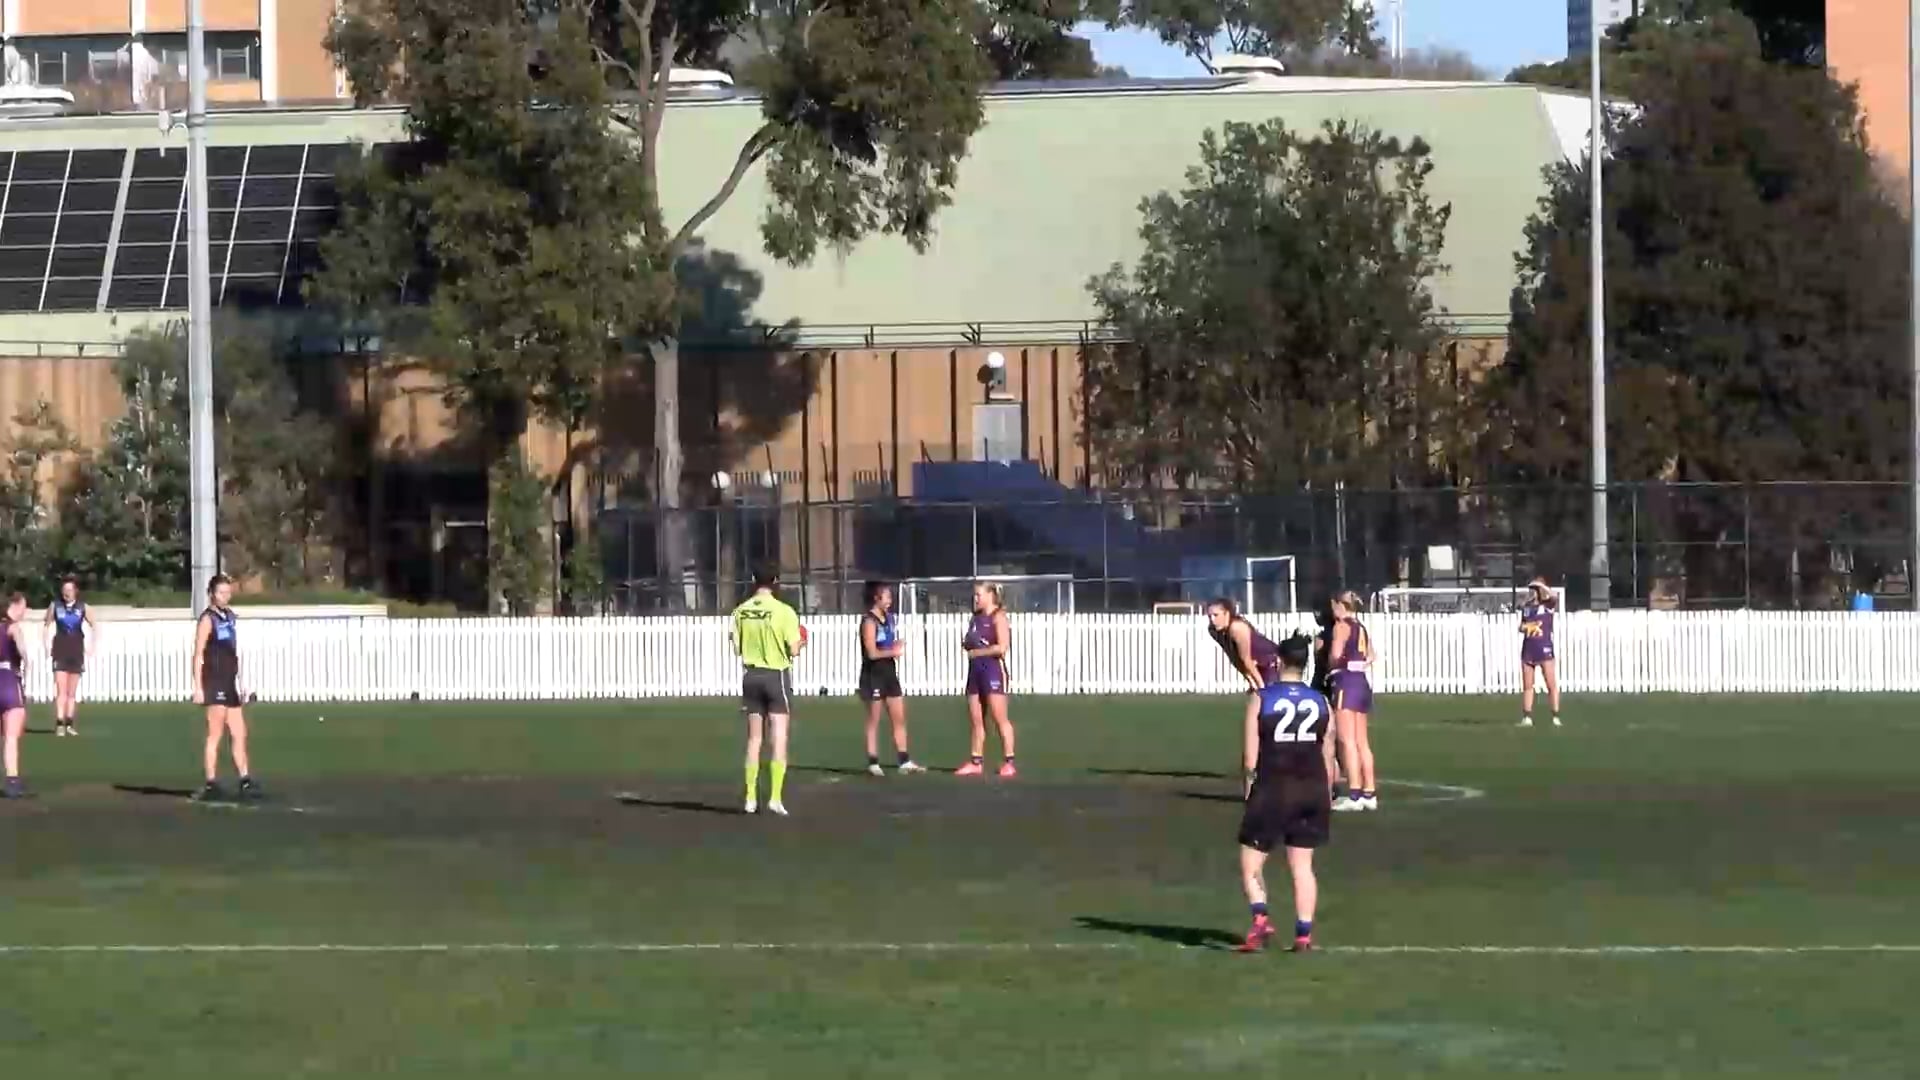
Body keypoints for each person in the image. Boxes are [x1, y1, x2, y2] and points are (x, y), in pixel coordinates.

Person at [1233, 633, 1334, 954]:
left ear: (1278, 661)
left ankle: (1261, 919)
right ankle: (1303, 936)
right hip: (1313, 788)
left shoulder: (1262, 698)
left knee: (1251, 865)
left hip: (1274, 787)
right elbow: (1329, 751)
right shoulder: (1322, 702)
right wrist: (1328, 793)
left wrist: (1249, 789)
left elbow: (1251, 756)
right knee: (1303, 866)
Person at [732, 563, 804, 815]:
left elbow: (737, 649)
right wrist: (801, 642)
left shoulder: (740, 611)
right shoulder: (784, 611)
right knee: (779, 737)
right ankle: (774, 797)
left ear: (753, 579)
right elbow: (794, 649)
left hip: (751, 675)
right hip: (776, 676)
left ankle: (750, 797)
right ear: (776, 581)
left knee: (754, 738)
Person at [192, 574, 260, 802]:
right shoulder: (207, 619)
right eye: (221, 592)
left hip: (230, 681)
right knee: (215, 734)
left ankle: (245, 779)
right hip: (214, 681)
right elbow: (198, 654)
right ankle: (211, 782)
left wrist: (241, 682)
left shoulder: (230, 617)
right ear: (212, 593)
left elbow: (233, 653)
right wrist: (198, 686)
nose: (226, 596)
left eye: (228, 592)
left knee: (240, 732)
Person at [857, 581, 923, 776]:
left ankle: (904, 760)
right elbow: (871, 652)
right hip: (873, 675)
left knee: (899, 718)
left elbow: (885, 644)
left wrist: (895, 645)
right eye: (886, 596)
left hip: (889, 673)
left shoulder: (890, 618)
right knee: (874, 720)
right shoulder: (869, 621)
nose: (890, 600)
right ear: (876, 598)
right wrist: (892, 651)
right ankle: (873, 762)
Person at [956, 581, 1016, 778]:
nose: (975, 599)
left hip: (992, 671)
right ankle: (976, 762)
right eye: (974, 595)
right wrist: (967, 644)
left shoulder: (998, 616)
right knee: (976, 719)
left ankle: (1009, 762)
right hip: (975, 672)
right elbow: (970, 640)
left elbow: (1001, 647)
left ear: (990, 595)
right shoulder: (975, 618)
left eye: (979, 595)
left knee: (1000, 718)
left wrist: (979, 651)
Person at [1328, 591, 1378, 813]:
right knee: (1362, 742)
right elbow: (1372, 655)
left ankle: (1355, 794)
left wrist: (1332, 665)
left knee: (1346, 740)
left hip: (1345, 683)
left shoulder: (1341, 626)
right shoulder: (1361, 627)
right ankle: (1369, 793)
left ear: (1340, 605)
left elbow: (1335, 655)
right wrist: (1359, 664)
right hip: (1361, 682)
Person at [43, 575, 96, 737]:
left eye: (70, 590)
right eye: (64, 590)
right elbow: (46, 625)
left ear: (76, 591)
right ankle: (59, 724)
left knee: (72, 692)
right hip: (60, 650)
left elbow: (95, 626)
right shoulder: (55, 606)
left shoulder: (83, 607)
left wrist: (91, 646)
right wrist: (46, 645)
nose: (66, 593)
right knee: (61, 690)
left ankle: (69, 724)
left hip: (76, 651)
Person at [1205, 598, 1280, 691]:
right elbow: (1234, 658)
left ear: (1227, 614)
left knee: (1268, 700)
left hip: (1272, 661)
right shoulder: (1214, 631)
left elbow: (1246, 659)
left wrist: (1261, 687)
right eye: (1209, 616)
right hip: (1256, 664)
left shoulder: (1237, 628)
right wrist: (1250, 680)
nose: (1212, 620)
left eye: (1216, 615)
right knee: (1258, 701)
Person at [1519, 578, 1562, 728]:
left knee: (1551, 684)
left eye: (1534, 589)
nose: (1531, 592)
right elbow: (1521, 626)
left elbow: (1555, 597)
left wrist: (1543, 586)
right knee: (1528, 685)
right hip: (1529, 649)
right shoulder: (1527, 608)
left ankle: (1555, 716)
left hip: (1544, 649)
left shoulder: (1547, 606)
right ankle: (1527, 716)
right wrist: (1528, 627)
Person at [2, 593, 31, 799]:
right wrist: (26, 662)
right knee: (11, 737)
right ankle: (12, 782)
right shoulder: (13, 627)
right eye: (24, 607)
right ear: (16, 604)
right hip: (9, 681)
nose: (25, 612)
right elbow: (22, 651)